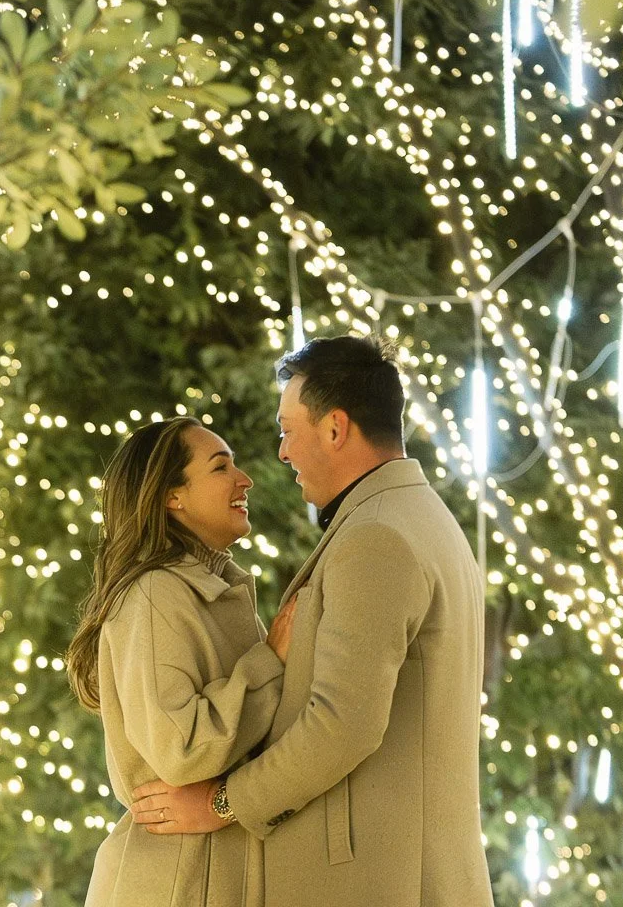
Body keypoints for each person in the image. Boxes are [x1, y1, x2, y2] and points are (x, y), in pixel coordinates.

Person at [129, 336, 494, 907]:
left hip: (374, 882)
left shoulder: (376, 536)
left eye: (287, 429)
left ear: (334, 428)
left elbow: (341, 725)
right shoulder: (419, 517)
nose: (280, 452)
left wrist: (221, 802)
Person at [67, 417, 290, 907]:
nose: (244, 479)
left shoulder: (214, 592)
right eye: (220, 467)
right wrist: (272, 658)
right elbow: (180, 747)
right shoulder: (153, 595)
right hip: (174, 883)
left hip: (209, 874)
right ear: (173, 496)